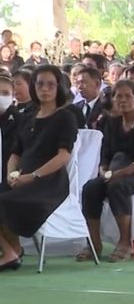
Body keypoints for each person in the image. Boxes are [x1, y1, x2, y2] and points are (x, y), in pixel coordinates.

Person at [0, 65, 79, 270]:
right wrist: (10, 174)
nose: (45, 89)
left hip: (49, 183)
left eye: (50, 84)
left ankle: (9, 252)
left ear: (59, 87)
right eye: (40, 84)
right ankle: (14, 250)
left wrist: (33, 176)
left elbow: (63, 156)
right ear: (33, 87)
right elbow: (15, 153)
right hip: (23, 179)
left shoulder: (65, 117)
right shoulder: (28, 117)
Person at [79, 80, 134, 262]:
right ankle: (94, 243)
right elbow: (106, 153)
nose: (123, 100)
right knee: (90, 188)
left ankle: (125, 242)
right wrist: (103, 169)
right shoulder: (111, 123)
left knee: (117, 187)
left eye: (128, 96)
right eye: (118, 96)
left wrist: (127, 171)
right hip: (117, 172)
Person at [0, 74, 21, 182]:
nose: (1, 97)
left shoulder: (20, 120)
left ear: (13, 95)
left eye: (5, 93)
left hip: (7, 179)